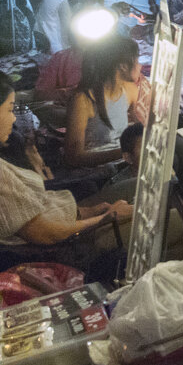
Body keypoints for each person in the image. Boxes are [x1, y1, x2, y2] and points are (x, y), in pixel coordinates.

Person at [0, 73, 131, 246]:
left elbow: (42, 207)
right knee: (165, 217)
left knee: (136, 188)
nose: (14, 118)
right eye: (10, 110)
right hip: (69, 244)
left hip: (69, 215)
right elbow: (47, 234)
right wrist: (108, 217)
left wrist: (89, 211)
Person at [64, 35, 140, 169]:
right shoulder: (82, 100)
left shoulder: (129, 90)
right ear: (122, 66)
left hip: (124, 166)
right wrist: (123, 152)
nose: (140, 65)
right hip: (96, 174)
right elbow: (73, 157)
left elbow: (140, 128)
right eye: (137, 60)